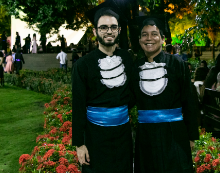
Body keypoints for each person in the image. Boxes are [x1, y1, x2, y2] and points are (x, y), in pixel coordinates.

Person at [132, 17, 199, 173]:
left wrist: (191, 137)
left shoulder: (178, 65)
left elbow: (189, 101)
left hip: (175, 134)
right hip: (146, 136)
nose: (149, 38)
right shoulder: (134, 68)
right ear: (140, 40)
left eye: (154, 34)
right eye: (144, 34)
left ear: (162, 39)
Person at [72, 2, 133, 173]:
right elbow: (78, 105)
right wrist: (79, 144)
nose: (109, 31)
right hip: (94, 135)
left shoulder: (127, 59)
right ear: (95, 31)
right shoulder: (83, 65)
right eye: (104, 27)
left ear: (119, 31)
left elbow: (133, 93)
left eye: (113, 27)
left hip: (123, 134)